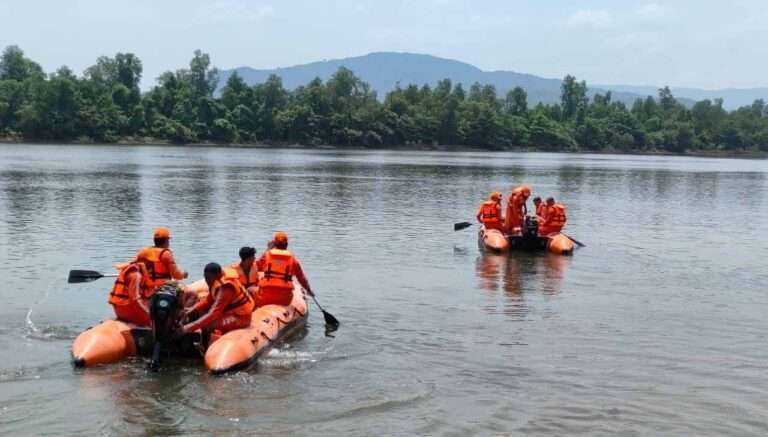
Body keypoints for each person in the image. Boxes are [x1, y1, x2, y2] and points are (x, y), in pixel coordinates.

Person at [176, 263, 255, 337]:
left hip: (241, 317)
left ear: (217, 276)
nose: (206, 281)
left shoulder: (226, 289)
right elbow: (208, 300)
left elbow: (213, 314)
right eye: (205, 277)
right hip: (230, 312)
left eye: (208, 278)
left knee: (208, 325)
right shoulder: (216, 282)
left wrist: (187, 328)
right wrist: (191, 309)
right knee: (200, 312)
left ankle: (204, 348)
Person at [254, 231, 312, 307]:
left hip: (265, 298)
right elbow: (301, 278)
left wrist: (268, 248)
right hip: (284, 300)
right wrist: (309, 290)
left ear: (274, 244)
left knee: (251, 290)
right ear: (287, 245)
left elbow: (256, 267)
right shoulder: (292, 258)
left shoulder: (267, 255)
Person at [108, 262, 152, 326]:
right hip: (129, 310)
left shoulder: (132, 270)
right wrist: (148, 313)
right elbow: (135, 300)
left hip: (120, 310)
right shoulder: (136, 276)